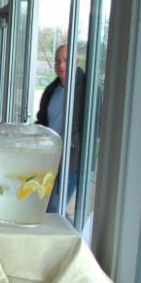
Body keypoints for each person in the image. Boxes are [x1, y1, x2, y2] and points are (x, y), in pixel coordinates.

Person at [35, 43, 86, 215]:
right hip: (49, 158)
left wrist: (72, 142)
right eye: (57, 62)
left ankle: (78, 239)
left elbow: (96, 126)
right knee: (45, 207)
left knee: (53, 209)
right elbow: (42, 121)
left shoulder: (88, 90)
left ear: (77, 61)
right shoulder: (51, 90)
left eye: (65, 60)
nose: (61, 66)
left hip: (72, 161)